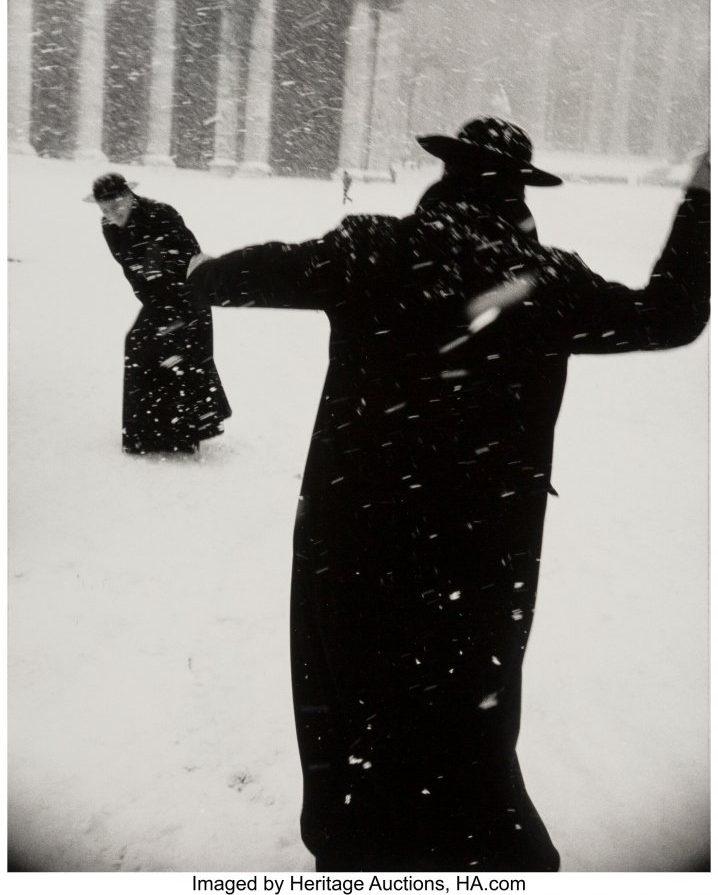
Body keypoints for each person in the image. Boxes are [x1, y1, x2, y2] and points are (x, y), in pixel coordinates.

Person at [187, 118, 709, 871]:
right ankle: (483, 856)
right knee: (468, 727)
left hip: (353, 531)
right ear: (518, 195)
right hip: (483, 552)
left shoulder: (370, 248)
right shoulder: (547, 280)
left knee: (348, 711)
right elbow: (672, 314)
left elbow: (230, 280)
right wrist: (701, 201)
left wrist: (201, 266)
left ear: (445, 179)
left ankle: (357, 852)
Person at [85, 172, 231, 455]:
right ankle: (146, 435)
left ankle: (182, 433)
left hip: (188, 293)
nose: (112, 214)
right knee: (139, 344)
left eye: (116, 206)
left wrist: (175, 307)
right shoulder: (109, 227)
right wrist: (154, 300)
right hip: (155, 298)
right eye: (105, 209)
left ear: (130, 197)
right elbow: (131, 269)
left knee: (179, 352)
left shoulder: (161, 214)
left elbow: (190, 257)